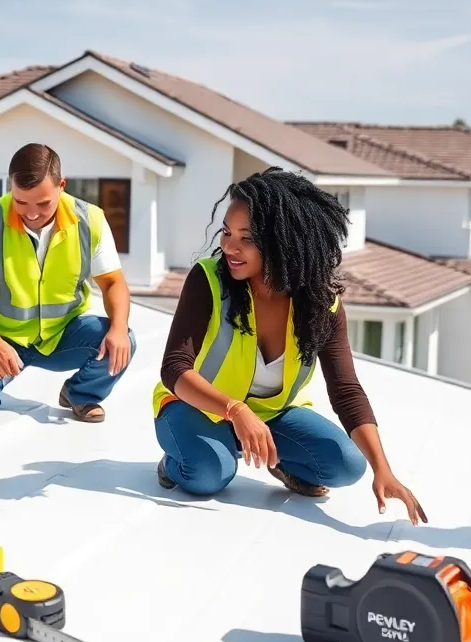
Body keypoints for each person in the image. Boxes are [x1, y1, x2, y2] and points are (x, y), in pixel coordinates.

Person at [150, 167, 428, 522]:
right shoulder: (208, 280)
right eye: (226, 231)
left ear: (282, 241)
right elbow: (174, 368)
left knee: (347, 465)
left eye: (245, 238)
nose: (228, 246)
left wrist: (383, 469)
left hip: (270, 418)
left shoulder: (320, 305)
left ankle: (281, 464)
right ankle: (179, 461)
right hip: (192, 406)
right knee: (208, 475)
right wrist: (236, 411)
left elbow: (345, 390)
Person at [0, 143, 135, 423]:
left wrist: (117, 328)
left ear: (61, 186)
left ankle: (80, 394)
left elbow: (112, 282)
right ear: (11, 187)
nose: (31, 214)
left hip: (62, 336)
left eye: (43, 203)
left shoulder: (90, 220)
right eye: (21, 202)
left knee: (124, 339)